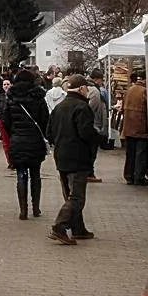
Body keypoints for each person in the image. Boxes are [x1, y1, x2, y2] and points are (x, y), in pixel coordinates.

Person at [45, 75, 98, 245]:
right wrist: (97, 138)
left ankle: (78, 229)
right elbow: (86, 133)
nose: (88, 91)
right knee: (77, 197)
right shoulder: (82, 107)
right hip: (78, 158)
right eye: (87, 88)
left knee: (70, 194)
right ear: (81, 88)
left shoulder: (59, 107)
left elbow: (49, 133)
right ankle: (59, 227)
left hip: (61, 157)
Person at [1, 70, 49, 220]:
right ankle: (36, 208)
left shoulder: (11, 98)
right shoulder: (39, 98)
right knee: (36, 174)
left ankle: (23, 210)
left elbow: (5, 120)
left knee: (21, 174)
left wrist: (14, 133)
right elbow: (45, 120)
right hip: (35, 141)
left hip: (18, 140)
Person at [120, 71, 148, 186]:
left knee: (130, 153)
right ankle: (139, 177)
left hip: (128, 126)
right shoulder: (146, 91)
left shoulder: (128, 91)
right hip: (141, 127)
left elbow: (122, 108)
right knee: (140, 154)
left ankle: (129, 176)